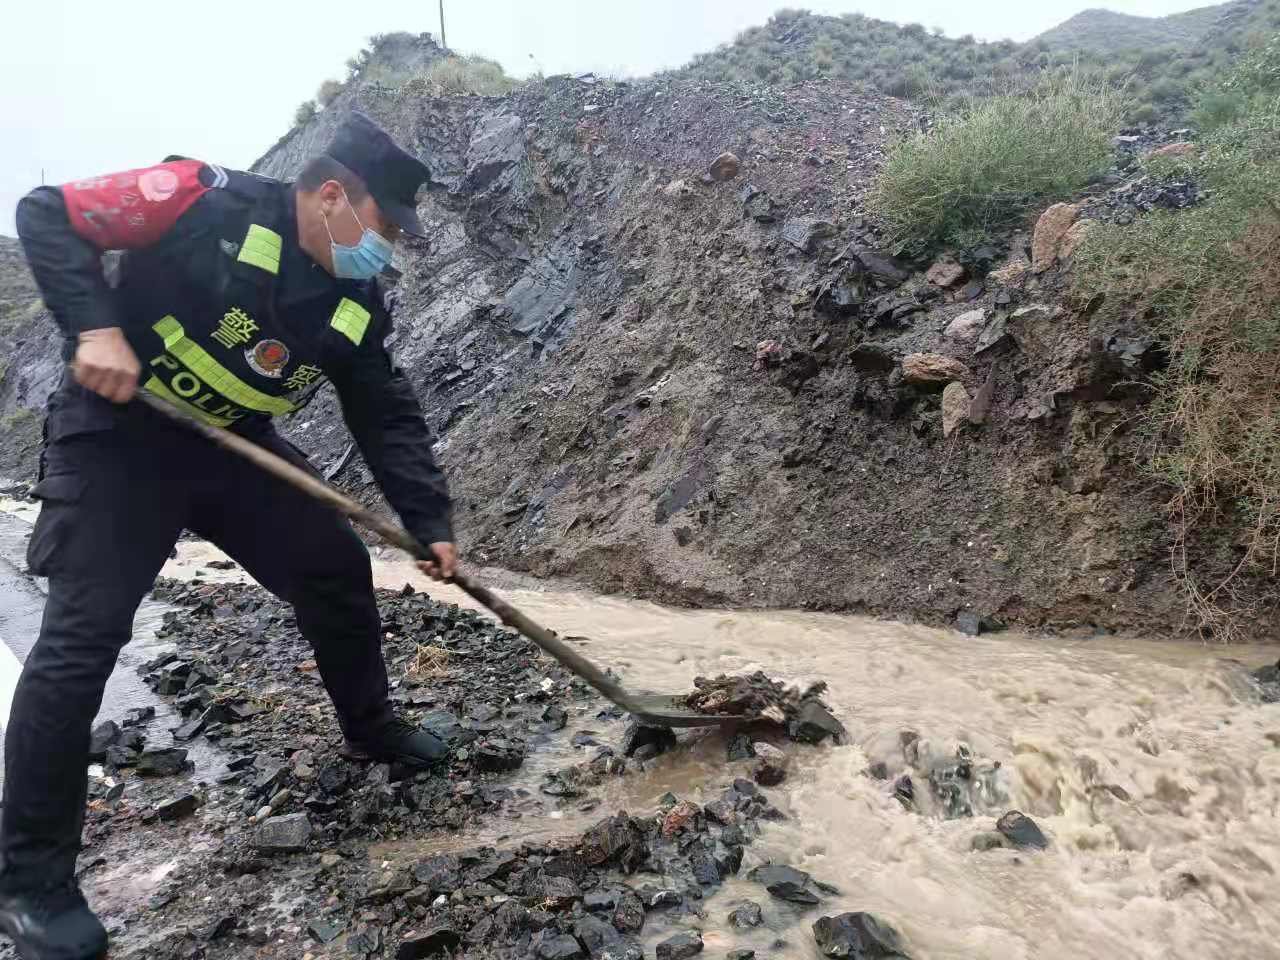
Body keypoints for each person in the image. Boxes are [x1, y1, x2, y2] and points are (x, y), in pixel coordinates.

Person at [2, 113, 457, 960]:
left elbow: (386, 414)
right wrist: (93, 329)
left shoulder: (358, 306)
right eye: (384, 229)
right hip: (121, 437)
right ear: (331, 196)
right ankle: (30, 885)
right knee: (79, 642)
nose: (386, 250)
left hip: (234, 448)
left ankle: (371, 726)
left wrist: (430, 525)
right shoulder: (199, 201)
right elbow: (46, 212)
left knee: (334, 568)